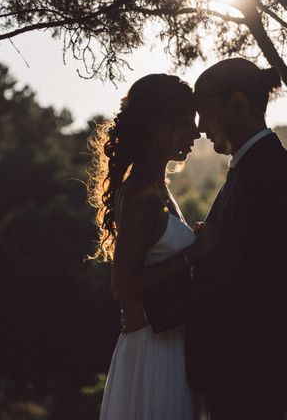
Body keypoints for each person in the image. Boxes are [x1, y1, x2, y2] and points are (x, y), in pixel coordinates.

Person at [139, 58, 287, 419]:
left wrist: (148, 313)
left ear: (237, 104)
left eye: (204, 112)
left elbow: (240, 280)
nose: (199, 128)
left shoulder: (267, 175)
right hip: (243, 367)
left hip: (250, 368)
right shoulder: (254, 168)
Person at [88, 73, 215, 420]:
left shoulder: (158, 186)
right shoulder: (143, 191)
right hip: (154, 349)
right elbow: (123, 285)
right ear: (159, 126)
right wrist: (194, 252)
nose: (196, 132)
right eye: (188, 123)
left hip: (167, 338)